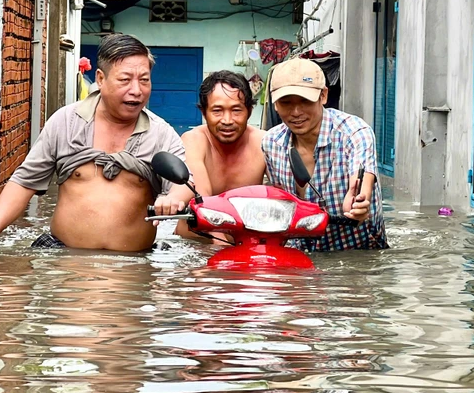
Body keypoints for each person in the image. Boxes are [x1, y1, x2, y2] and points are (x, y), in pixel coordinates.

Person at [0, 33, 187, 254]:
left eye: (144, 80)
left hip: (133, 263)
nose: (136, 90)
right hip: (64, 260)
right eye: (125, 79)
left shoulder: (161, 133)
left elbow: (186, 183)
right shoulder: (66, 122)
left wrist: (174, 198)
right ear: (100, 79)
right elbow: (25, 181)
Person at [261, 58, 388, 252]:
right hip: (300, 254)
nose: (296, 112)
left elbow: (363, 179)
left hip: (358, 254)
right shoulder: (271, 143)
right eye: (286, 103)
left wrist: (359, 202)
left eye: (305, 101)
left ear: (323, 96)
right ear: (275, 104)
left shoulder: (354, 132)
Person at [155, 71, 267, 243]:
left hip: (247, 239)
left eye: (236, 110)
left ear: (249, 111)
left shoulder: (264, 143)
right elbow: (203, 203)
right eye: (217, 111)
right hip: (199, 241)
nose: (227, 120)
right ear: (204, 112)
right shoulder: (194, 140)